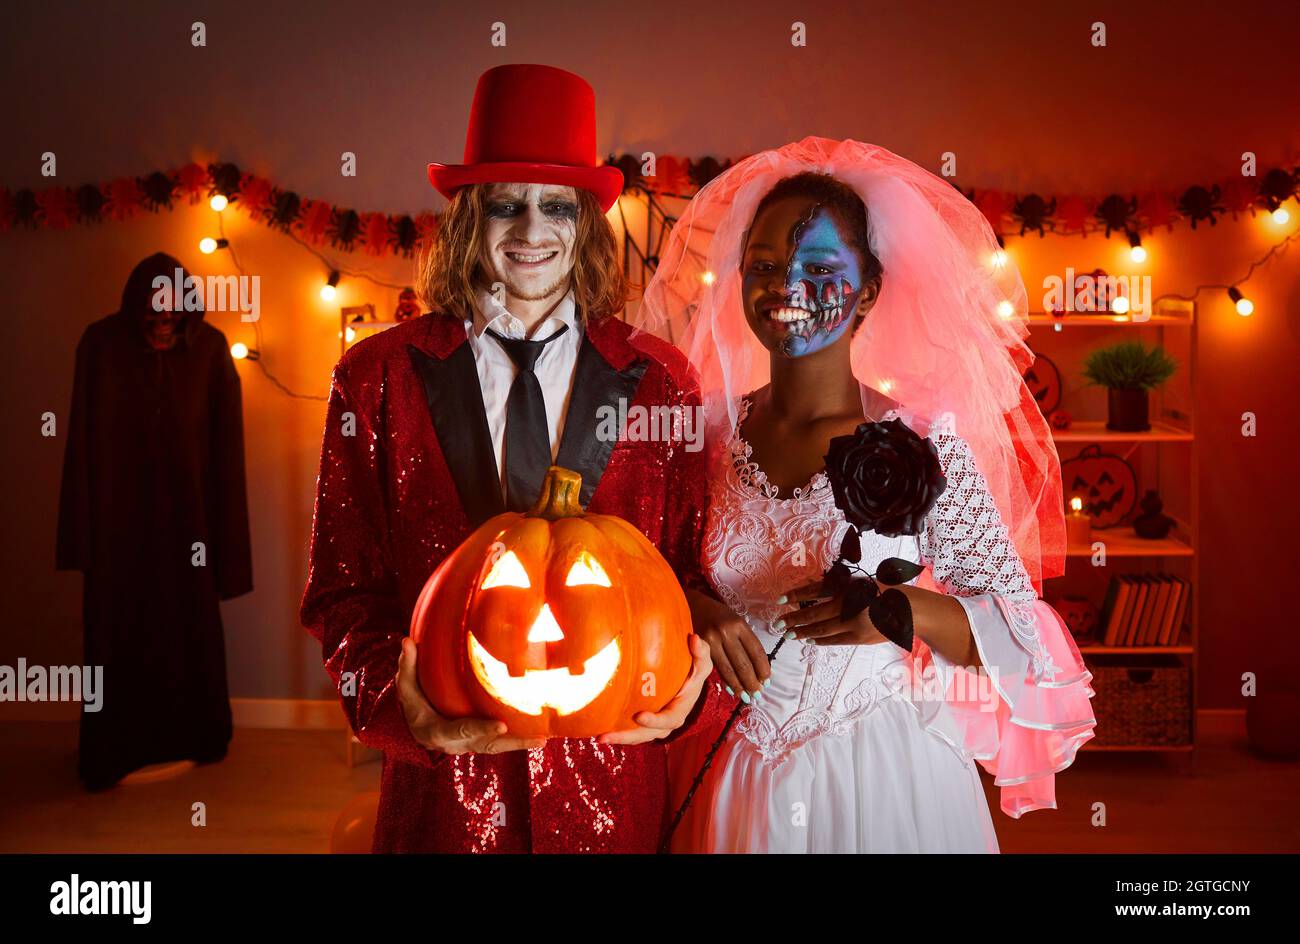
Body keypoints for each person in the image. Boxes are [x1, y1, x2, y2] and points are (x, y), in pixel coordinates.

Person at [300, 64, 726, 853]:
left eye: (557, 206)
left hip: (611, 786)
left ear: (588, 223)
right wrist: (401, 713)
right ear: (469, 216)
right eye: (507, 204)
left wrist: (695, 695)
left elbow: (696, 579)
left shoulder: (663, 381)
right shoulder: (374, 379)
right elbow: (342, 592)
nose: (532, 231)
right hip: (444, 800)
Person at [645, 138, 1097, 853]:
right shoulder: (702, 437)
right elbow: (648, 572)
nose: (786, 288)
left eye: (819, 268)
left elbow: (1022, 636)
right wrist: (697, 607)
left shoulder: (921, 442)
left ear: (871, 291)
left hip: (882, 775)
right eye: (763, 266)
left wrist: (902, 609)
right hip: (729, 773)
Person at [57, 252, 252, 790]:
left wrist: (225, 552)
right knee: (116, 635)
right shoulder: (99, 347)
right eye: (154, 316)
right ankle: (115, 749)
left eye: (173, 316)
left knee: (186, 631)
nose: (164, 325)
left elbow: (226, 456)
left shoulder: (211, 351)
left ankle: (195, 735)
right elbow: (81, 446)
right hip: (117, 527)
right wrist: (82, 538)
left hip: (190, 530)